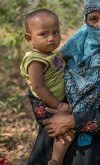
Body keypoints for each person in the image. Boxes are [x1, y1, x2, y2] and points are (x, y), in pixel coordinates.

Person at [27, 0, 100, 164]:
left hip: (90, 151)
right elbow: (37, 87)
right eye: (93, 19)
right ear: (86, 20)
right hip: (51, 138)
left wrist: (73, 121)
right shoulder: (72, 49)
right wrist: (51, 119)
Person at [20, 9, 74, 165]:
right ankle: (56, 160)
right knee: (63, 127)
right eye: (44, 34)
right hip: (45, 103)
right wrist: (58, 105)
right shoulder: (34, 60)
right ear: (29, 38)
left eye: (55, 32)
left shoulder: (50, 55)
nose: (51, 38)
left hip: (54, 99)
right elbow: (38, 87)